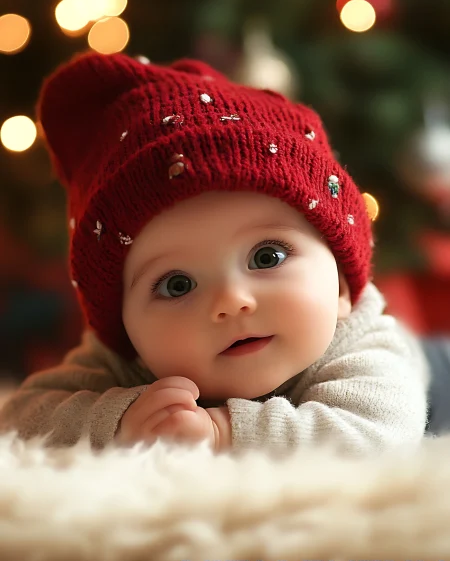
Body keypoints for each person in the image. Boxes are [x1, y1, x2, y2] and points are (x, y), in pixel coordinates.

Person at [0, 51, 429, 455]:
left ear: (341, 286)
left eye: (267, 257)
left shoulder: (359, 343)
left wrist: (224, 432)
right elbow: (19, 420)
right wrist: (121, 421)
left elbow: (379, 436)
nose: (231, 300)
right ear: (125, 329)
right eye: (177, 285)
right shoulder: (123, 362)